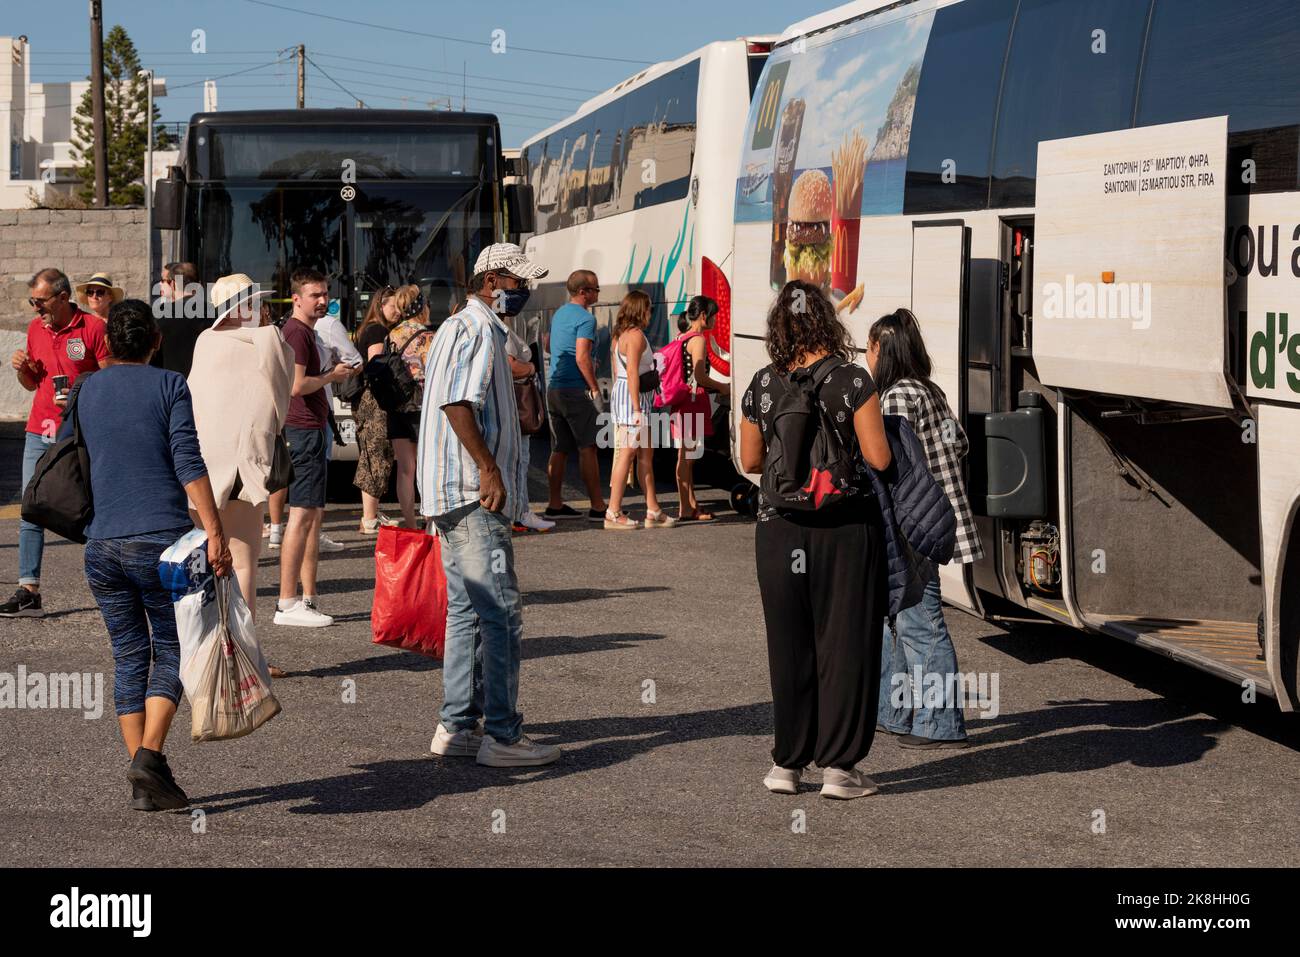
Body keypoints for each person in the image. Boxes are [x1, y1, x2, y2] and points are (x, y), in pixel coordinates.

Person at [71, 298, 232, 811]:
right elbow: (188, 459)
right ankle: (148, 758)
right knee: (173, 648)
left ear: (109, 344)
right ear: (156, 341)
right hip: (161, 543)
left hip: (101, 544)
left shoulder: (85, 389)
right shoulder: (169, 385)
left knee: (128, 654)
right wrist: (215, 529)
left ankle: (147, 779)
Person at [739, 280, 892, 800]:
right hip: (844, 529)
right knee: (843, 645)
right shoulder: (853, 380)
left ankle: (786, 765)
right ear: (827, 320)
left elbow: (751, 462)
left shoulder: (762, 382)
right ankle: (839, 770)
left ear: (780, 325)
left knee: (790, 647)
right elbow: (878, 458)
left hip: (778, 530)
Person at [421, 243, 560, 767]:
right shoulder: (478, 329)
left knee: (466, 611)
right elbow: (458, 403)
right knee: (500, 613)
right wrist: (489, 468)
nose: (524, 292)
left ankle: (457, 726)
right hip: (472, 494)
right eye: (517, 282)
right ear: (490, 281)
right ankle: (502, 736)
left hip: (451, 492)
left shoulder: (464, 327)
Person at [869, 308, 983, 749]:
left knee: (920, 624)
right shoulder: (927, 390)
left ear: (883, 350)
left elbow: (891, 470)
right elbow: (959, 443)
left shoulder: (896, 397)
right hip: (933, 520)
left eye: (870, 348)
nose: (867, 356)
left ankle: (940, 723)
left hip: (911, 525)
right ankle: (895, 713)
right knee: (903, 618)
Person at [186, 273, 294, 631]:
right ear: (248, 305)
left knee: (206, 558)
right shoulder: (268, 337)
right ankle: (242, 655)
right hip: (243, 464)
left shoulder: (203, 340)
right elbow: (282, 397)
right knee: (244, 561)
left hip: (198, 465)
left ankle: (210, 646)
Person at [1, 268, 109, 619]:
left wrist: (84, 398)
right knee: (31, 507)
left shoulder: (93, 328)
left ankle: (112, 584)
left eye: (41, 301)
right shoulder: (35, 329)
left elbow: (111, 380)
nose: (36, 308)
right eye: (33, 301)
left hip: (81, 431)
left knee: (92, 508)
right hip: (39, 429)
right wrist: (22, 368)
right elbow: (33, 384)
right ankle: (29, 589)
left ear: (63, 297)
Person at [274, 268, 354, 628]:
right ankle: (287, 602)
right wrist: (332, 377)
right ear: (296, 298)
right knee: (302, 515)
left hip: (311, 430)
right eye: (314, 295)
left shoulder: (306, 331)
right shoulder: (297, 332)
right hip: (303, 430)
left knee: (310, 517)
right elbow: (297, 385)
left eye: (324, 294)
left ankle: (306, 597)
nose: (322, 300)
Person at [605, 290, 675, 530]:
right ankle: (613, 512)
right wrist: (636, 409)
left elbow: (620, 371)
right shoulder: (635, 337)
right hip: (633, 401)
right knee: (628, 454)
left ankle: (653, 509)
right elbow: (633, 371)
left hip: (631, 397)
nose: (650, 313)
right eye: (648, 309)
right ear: (640, 310)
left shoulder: (622, 335)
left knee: (646, 455)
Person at [543, 269, 607, 522]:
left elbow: (548, 345)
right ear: (583, 292)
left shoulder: (559, 313)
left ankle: (555, 503)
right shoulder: (586, 319)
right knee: (588, 447)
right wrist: (592, 387)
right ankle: (598, 506)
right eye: (595, 289)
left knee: (559, 448)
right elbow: (581, 357)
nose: (597, 293)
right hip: (574, 389)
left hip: (554, 388)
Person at [671, 295, 728, 522]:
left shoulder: (681, 336)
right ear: (704, 315)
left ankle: (691, 504)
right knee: (686, 457)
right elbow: (699, 376)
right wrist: (723, 387)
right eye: (714, 315)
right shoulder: (699, 340)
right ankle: (685, 508)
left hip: (682, 401)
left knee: (686, 456)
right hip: (693, 402)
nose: (716, 319)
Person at [385, 285, 438, 528]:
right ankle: (429, 522)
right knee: (426, 467)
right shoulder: (429, 337)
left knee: (405, 469)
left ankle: (410, 522)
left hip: (397, 407)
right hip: (422, 409)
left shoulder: (391, 335)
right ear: (421, 307)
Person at [312, 303, 362, 552]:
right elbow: (354, 361)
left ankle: (279, 529)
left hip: (290, 409)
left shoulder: (288, 326)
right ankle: (314, 535)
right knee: (318, 476)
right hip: (320, 407)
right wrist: (332, 372)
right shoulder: (330, 324)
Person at [352, 286, 400, 534]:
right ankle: (369, 518)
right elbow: (376, 365)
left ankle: (370, 514)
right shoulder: (377, 330)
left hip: (367, 400)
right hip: (374, 401)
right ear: (380, 306)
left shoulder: (368, 327)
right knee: (375, 453)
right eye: (393, 306)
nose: (397, 311)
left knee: (374, 452)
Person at [504, 321, 556, 532]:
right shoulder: (502, 330)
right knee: (520, 460)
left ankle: (518, 512)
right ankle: (520, 514)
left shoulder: (499, 327)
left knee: (518, 460)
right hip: (516, 401)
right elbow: (511, 365)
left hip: (512, 401)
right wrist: (532, 367)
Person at [153, 261, 211, 377]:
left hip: (171, 386)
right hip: (204, 384)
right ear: (199, 284)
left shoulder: (160, 315)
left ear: (173, 284)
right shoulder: (215, 314)